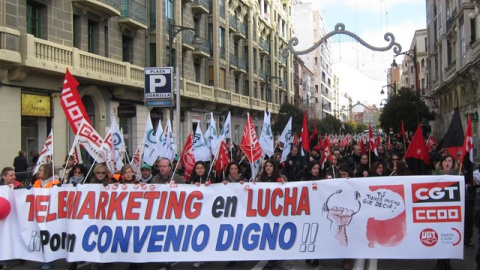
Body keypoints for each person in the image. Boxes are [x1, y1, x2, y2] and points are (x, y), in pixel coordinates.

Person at [32, 164, 59, 270]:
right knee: (41, 238)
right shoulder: (37, 182)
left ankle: (49, 261)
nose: (39, 172)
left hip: (50, 215)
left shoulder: (55, 183)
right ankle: (44, 259)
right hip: (39, 214)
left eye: (41, 170)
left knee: (48, 238)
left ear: (47, 172)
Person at [433, 154, 457, 270]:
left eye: (450, 161)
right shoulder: (434, 177)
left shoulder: (458, 176)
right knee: (438, 237)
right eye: (445, 161)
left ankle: (447, 262)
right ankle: (439, 262)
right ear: (441, 163)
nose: (447, 163)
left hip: (451, 213)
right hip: (438, 212)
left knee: (449, 237)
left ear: (453, 164)